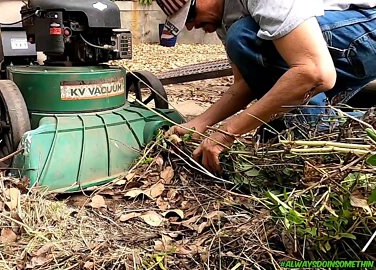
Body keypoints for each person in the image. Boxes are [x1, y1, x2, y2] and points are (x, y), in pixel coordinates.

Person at [156, 0, 376, 173]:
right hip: (342, 46)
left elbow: (316, 73)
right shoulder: (224, 18)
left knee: (244, 35)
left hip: (367, 30)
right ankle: (320, 128)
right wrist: (199, 124)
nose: (191, 25)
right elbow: (246, 84)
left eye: (191, 14)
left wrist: (227, 133)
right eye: (184, 22)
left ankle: (320, 128)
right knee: (274, 133)